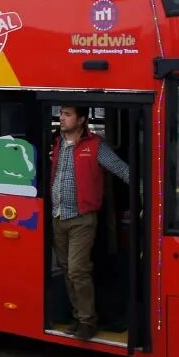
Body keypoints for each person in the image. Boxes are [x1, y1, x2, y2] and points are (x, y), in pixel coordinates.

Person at [49, 106, 130, 341]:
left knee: (77, 270)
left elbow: (122, 170)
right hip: (57, 217)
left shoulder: (96, 146)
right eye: (61, 114)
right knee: (66, 270)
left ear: (82, 119)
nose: (62, 118)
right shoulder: (55, 143)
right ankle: (78, 316)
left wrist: (147, 189)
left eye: (67, 114)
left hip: (82, 220)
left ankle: (87, 320)